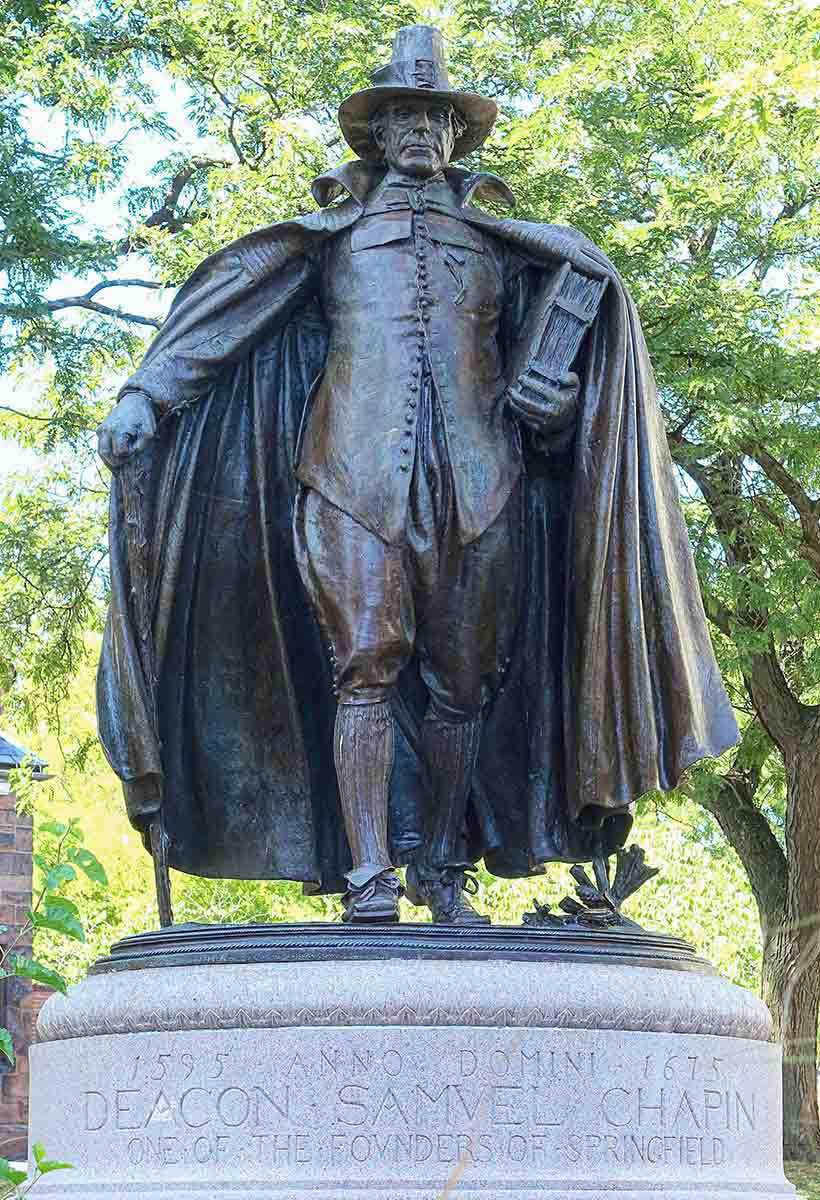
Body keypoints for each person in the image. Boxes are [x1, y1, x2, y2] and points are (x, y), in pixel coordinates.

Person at [96, 26, 738, 926]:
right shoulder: (331, 236)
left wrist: (558, 411)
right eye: (402, 116)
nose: (419, 132)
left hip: (483, 488)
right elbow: (229, 311)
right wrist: (146, 395)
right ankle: (368, 873)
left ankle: (440, 865)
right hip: (350, 481)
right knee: (364, 663)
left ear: (456, 136)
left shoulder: (506, 246)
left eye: (435, 118)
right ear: (376, 133)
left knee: (463, 683)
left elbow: (558, 379)